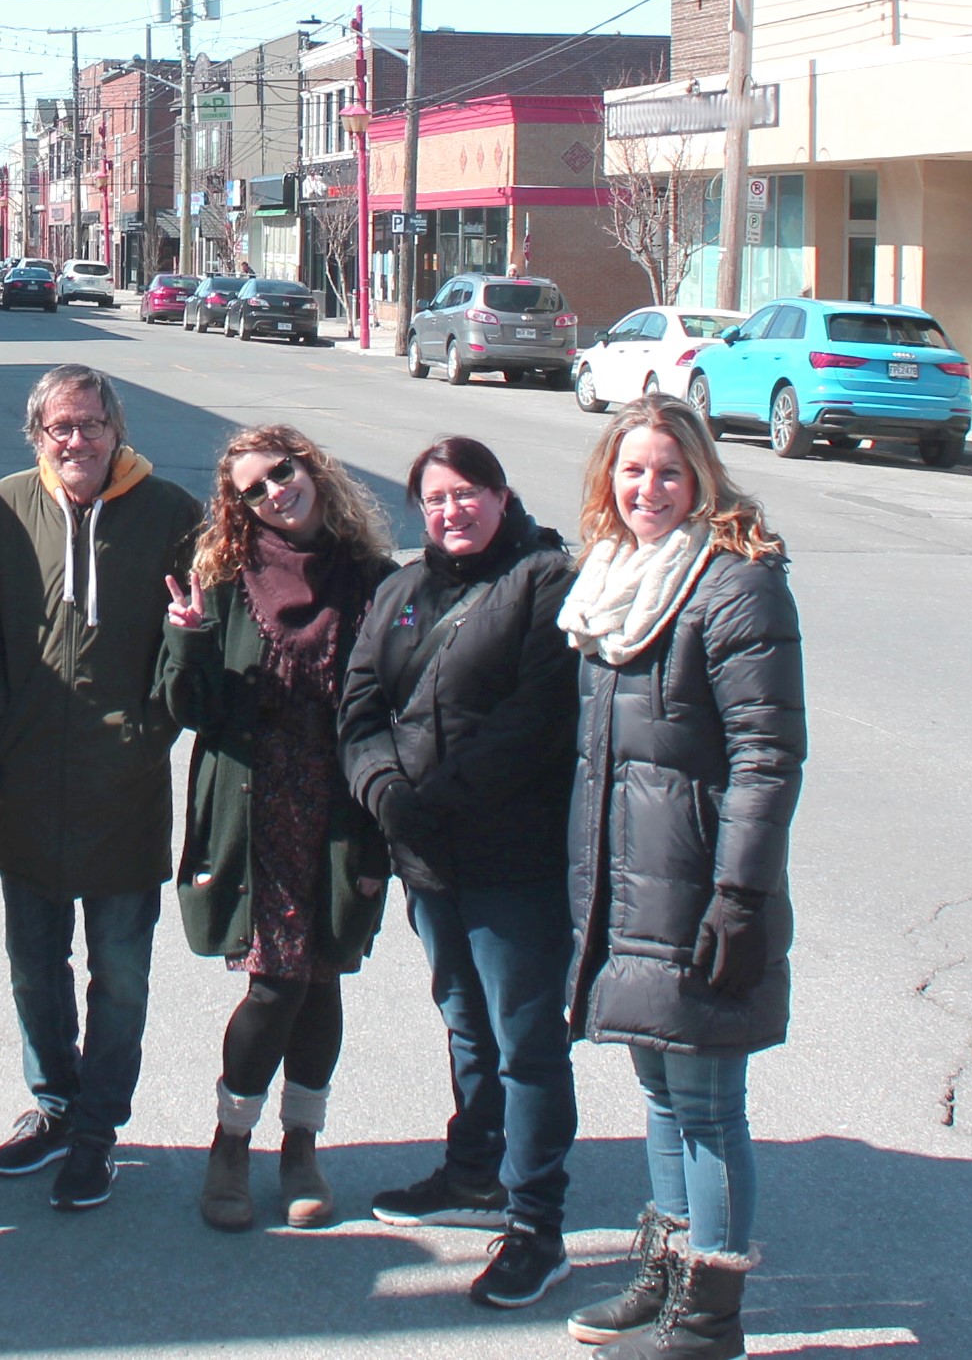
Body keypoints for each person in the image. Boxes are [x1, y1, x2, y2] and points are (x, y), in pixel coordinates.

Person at [557, 394, 806, 1360]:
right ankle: (666, 1271)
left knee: (705, 1104)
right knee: (660, 1091)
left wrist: (740, 896)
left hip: (702, 885)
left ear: (701, 473)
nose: (647, 488)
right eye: (630, 470)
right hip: (627, 882)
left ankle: (712, 1311)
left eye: (667, 470)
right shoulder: (613, 578)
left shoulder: (735, 584)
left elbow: (766, 756)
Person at [336, 434, 581, 1312]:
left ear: (502, 494)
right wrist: (384, 794)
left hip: (513, 858)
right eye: (435, 498)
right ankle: (474, 1168)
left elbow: (535, 721)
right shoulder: (400, 589)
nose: (451, 511)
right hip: (426, 856)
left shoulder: (544, 580)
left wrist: (431, 799)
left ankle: (535, 1225)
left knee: (525, 1041)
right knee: (464, 1022)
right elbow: (359, 705)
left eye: (467, 492)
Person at [0, 364, 204, 1210]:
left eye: (91, 424)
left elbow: (189, 637)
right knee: (33, 964)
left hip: (124, 783)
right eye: (60, 426)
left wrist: (149, 732)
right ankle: (54, 1103)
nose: (77, 440)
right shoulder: (2, 508)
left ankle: (98, 1127)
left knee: (121, 971)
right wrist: (0, 736)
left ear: (116, 430)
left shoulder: (171, 513)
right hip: (27, 780)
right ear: (37, 435)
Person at [157, 425, 397, 1235]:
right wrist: (188, 638)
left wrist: (379, 838)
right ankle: (231, 1143)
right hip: (253, 807)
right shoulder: (222, 576)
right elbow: (187, 709)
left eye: (281, 473)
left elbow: (394, 707)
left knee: (321, 975)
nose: (272, 493)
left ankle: (300, 1145)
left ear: (311, 466)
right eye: (252, 488)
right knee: (274, 981)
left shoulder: (369, 578)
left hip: (339, 805)